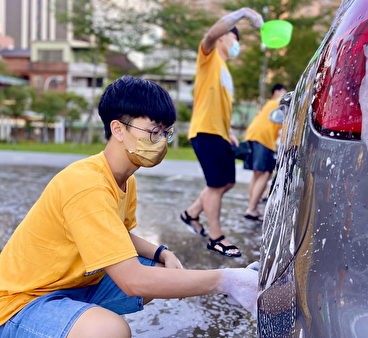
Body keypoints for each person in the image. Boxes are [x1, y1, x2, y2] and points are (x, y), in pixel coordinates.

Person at [0, 76, 258, 338]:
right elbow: (132, 280)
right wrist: (227, 281)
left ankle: (72, 320)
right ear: (118, 129)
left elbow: (117, 233)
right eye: (152, 132)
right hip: (21, 302)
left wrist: (162, 253)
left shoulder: (124, 179)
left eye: (165, 132)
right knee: (109, 330)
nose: (160, 142)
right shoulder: (87, 184)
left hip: (73, 285)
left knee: (159, 272)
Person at [180, 8, 264, 258]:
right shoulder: (209, 58)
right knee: (216, 185)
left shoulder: (225, 71)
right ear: (224, 37)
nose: (237, 45)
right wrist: (243, 13)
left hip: (219, 133)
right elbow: (209, 35)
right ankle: (216, 237)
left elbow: (221, 108)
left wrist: (229, 133)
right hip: (205, 132)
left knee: (226, 182)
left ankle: (192, 213)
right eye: (235, 39)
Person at [243, 83, 287, 222]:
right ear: (277, 92)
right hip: (264, 138)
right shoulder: (279, 102)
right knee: (265, 173)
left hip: (253, 135)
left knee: (257, 174)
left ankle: (252, 207)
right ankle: (251, 209)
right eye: (284, 92)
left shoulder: (269, 104)